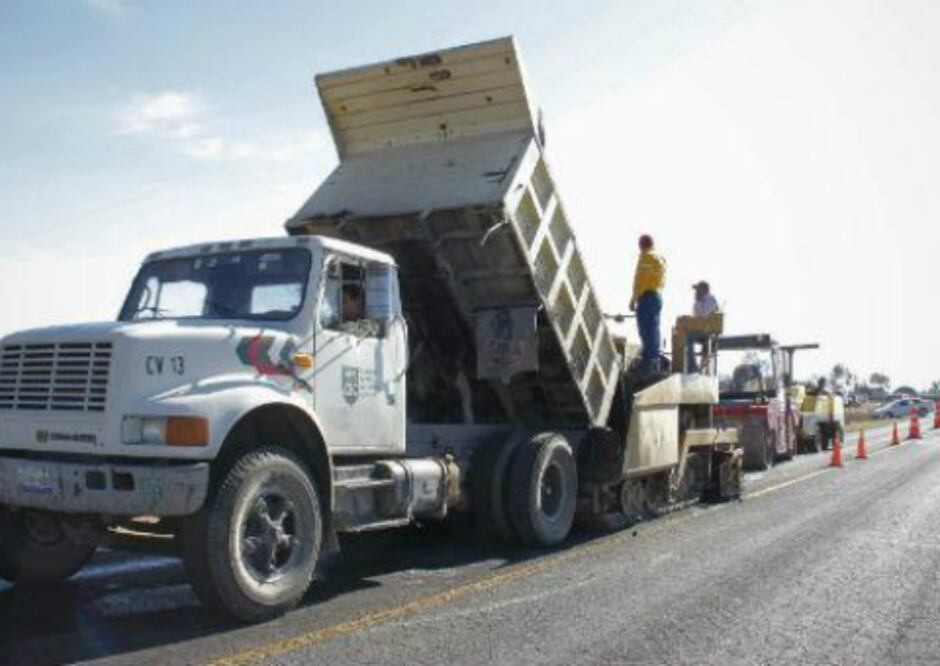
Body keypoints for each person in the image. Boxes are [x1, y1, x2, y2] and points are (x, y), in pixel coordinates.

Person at [629, 234, 666, 373]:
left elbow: (641, 280)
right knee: (654, 328)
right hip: (656, 295)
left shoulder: (646, 257)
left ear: (641, 245)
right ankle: (654, 360)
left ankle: (648, 363)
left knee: (645, 329)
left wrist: (633, 299)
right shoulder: (659, 259)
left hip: (647, 296)